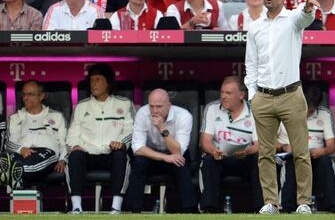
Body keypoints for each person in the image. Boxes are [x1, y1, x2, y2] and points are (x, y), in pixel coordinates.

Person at [244, 0, 319, 214]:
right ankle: (270, 202)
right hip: (263, 98)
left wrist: (308, 9)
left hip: (291, 95)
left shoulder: (293, 19)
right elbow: (251, 65)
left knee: (300, 153)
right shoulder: (255, 26)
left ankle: (304, 202)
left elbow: (305, 17)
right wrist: (253, 96)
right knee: (265, 155)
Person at [66, 63, 134, 214]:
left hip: (111, 153)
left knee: (121, 155)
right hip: (87, 153)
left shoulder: (124, 103)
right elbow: (72, 133)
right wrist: (75, 146)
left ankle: (116, 207)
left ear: (108, 83)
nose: (93, 83)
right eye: (91, 80)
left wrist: (122, 143)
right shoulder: (81, 106)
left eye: (98, 79)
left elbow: (131, 129)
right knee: (75, 155)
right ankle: (76, 207)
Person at [199, 76, 264, 213]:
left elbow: (260, 145)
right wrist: (213, 151)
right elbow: (205, 142)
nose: (223, 96)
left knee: (260, 158)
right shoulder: (212, 108)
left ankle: (260, 208)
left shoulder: (255, 111)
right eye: (222, 92)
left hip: (244, 158)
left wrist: (246, 151)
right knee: (209, 160)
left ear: (241, 95)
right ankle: (209, 209)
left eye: (228, 93)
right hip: (220, 158)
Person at [127, 88, 197, 213]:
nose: (154, 111)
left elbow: (178, 151)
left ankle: (188, 210)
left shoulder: (184, 116)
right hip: (151, 155)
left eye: (159, 107)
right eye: (151, 106)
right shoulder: (142, 113)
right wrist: (165, 157)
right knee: (138, 162)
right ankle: (134, 210)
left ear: (169, 105)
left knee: (181, 161)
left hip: (174, 153)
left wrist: (162, 128)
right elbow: (137, 148)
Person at [277, 85, 335, 213]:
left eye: (311, 110)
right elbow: (269, 142)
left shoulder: (324, 114)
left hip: (314, 156)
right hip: (291, 155)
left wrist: (322, 151)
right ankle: (285, 207)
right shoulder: (284, 112)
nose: (307, 112)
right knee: (291, 163)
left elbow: (332, 146)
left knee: (326, 162)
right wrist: (285, 146)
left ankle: (334, 208)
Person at [0, 80, 66, 190]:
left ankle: (11, 174)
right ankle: (13, 175)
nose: (25, 98)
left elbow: (64, 142)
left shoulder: (56, 116)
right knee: (13, 160)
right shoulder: (15, 118)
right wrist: (21, 149)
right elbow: (9, 144)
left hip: (47, 151)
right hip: (21, 152)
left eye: (30, 94)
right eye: (24, 94)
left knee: (29, 165)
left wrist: (63, 159)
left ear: (41, 96)